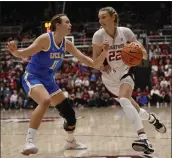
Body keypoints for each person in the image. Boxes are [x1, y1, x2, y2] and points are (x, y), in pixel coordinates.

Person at [7, 13, 93, 156]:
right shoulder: (45, 39)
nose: (70, 25)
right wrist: (15, 51)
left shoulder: (67, 43)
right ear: (57, 25)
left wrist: (99, 65)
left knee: (69, 113)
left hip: (49, 81)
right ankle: (29, 141)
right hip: (33, 77)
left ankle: (70, 142)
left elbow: (82, 58)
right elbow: (23, 54)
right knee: (45, 100)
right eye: (67, 22)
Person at [92, 7, 166, 154]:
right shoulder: (98, 36)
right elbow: (96, 63)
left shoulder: (126, 32)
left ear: (113, 17)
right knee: (136, 110)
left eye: (104, 17)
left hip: (126, 72)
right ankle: (152, 119)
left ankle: (143, 138)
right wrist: (105, 53)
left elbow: (144, 55)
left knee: (125, 101)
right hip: (109, 80)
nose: (101, 21)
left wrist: (135, 49)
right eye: (99, 18)